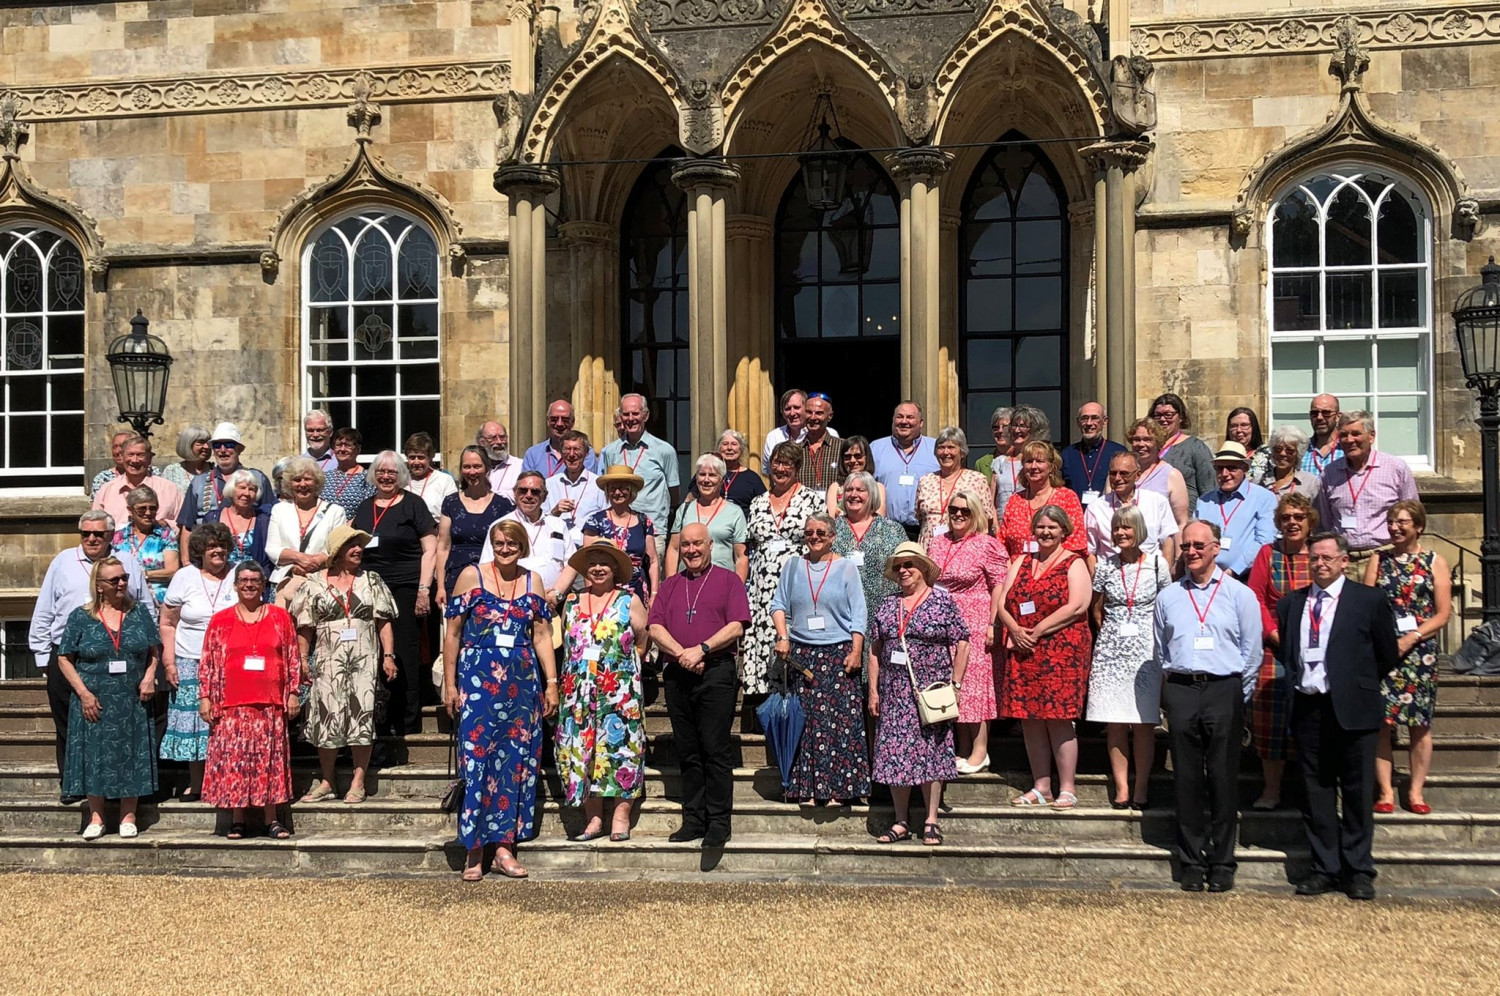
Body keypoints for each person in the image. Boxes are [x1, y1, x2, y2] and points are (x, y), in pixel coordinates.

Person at [1280, 532, 1401, 901]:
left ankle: (1358, 869)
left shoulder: (1369, 600)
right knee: (1316, 791)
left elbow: (1386, 654)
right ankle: (1324, 868)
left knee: (1357, 790)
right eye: (1315, 558)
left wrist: (1355, 683)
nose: (1320, 564)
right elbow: (1289, 655)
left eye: (1328, 558)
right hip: (1308, 706)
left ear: (1344, 561)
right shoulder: (1292, 604)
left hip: (1353, 707)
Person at [441, 519, 558, 880]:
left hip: (521, 685)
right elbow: (453, 633)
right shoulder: (470, 576)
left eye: (512, 543)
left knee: (514, 764)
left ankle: (504, 847)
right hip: (478, 681)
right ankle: (474, 849)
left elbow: (541, 635)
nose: (505, 549)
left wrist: (551, 682)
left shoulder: (531, 581)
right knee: (477, 760)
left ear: (523, 546)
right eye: (500, 543)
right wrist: (449, 683)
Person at [1154, 520, 1262, 893]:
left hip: (1224, 689)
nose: (1192, 552)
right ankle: (1190, 861)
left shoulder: (1239, 594)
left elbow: (1252, 652)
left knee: (1222, 778)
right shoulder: (1168, 596)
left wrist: (1238, 695)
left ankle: (1222, 861)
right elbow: (1161, 649)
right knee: (1185, 778)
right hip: (1183, 688)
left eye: (1199, 545)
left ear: (1216, 548)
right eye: (1186, 546)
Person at [29, 511, 153, 803]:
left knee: (122, 728)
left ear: (110, 535)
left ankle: (122, 788)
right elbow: (45, 607)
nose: (92, 538)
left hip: (122, 657)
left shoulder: (128, 563)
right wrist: (41, 655)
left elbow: (145, 603)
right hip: (69, 656)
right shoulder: (62, 561)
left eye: (98, 533)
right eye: (86, 533)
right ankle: (73, 785)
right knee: (69, 726)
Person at [648, 523, 751, 848]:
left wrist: (702, 649)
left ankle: (718, 822)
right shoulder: (670, 585)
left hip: (716, 671)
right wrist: (682, 654)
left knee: (715, 749)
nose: (691, 550)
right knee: (688, 750)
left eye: (698, 545)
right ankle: (694, 819)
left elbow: (736, 626)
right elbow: (654, 626)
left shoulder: (728, 580)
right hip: (678, 672)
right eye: (686, 545)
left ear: (710, 546)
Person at [867, 541, 969, 846]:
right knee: (896, 753)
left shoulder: (942, 601)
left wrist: (957, 684)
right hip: (894, 692)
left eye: (909, 565)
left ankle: (931, 819)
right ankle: (900, 821)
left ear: (923, 568)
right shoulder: (888, 604)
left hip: (931, 692)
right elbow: (875, 650)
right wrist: (873, 691)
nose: (903, 571)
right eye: (898, 566)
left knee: (932, 753)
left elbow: (962, 640)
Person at [55, 556, 162, 839]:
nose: (122, 583)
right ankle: (97, 816)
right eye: (114, 580)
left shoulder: (139, 613)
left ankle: (129, 815)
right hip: (95, 699)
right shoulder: (81, 616)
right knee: (94, 756)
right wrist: (83, 693)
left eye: (124, 578)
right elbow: (64, 658)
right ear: (99, 586)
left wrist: (150, 676)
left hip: (132, 698)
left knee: (132, 752)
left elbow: (154, 651)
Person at [292, 525, 397, 806]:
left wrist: (389, 656)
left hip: (364, 659)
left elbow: (383, 620)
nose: (358, 550)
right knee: (326, 717)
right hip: (327, 660)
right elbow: (305, 626)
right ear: (337, 551)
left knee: (361, 716)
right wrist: (302, 659)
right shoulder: (314, 583)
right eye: (352, 545)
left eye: (360, 545)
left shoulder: (372, 580)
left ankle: (358, 781)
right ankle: (327, 781)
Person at [997, 505, 1093, 810]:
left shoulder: (1073, 562)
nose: (1046, 532)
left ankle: (1067, 787)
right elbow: (1002, 603)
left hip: (1060, 651)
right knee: (1030, 719)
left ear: (1064, 530)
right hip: (1024, 648)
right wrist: (1014, 629)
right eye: (1040, 527)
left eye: (1052, 527)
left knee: (1059, 718)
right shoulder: (1022, 561)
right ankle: (1041, 786)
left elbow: (1078, 606)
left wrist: (1036, 630)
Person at [199, 561, 304, 840]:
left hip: (269, 703)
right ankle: (238, 820)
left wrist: (294, 691)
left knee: (268, 762)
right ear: (234, 585)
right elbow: (208, 660)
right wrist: (205, 697)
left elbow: (293, 656)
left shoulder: (280, 617)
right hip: (231, 704)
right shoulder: (220, 620)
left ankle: (272, 819)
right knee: (236, 762)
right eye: (243, 580)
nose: (249, 585)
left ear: (263, 585)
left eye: (255, 580)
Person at [770, 512, 870, 805]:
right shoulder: (792, 566)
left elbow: (859, 614)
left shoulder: (846, 568)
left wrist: (856, 650)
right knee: (808, 724)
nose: (814, 537)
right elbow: (778, 604)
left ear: (833, 537)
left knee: (839, 724)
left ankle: (839, 789)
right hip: (803, 655)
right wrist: (783, 635)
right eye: (809, 533)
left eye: (821, 533)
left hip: (838, 653)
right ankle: (810, 788)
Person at [555, 539, 648, 841]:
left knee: (621, 750)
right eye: (592, 562)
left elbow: (643, 638)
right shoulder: (570, 601)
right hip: (577, 691)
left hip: (618, 690)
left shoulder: (628, 599)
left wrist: (626, 671)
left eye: (604, 562)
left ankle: (621, 815)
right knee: (581, 750)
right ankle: (593, 818)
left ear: (615, 569)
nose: (597, 568)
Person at [1366, 500, 1451, 816]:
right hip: (1385, 652)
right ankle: (1386, 791)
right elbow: (1366, 605)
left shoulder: (1433, 561)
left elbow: (1443, 613)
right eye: (1391, 521)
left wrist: (1412, 637)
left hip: (1420, 653)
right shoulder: (1379, 559)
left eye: (1402, 522)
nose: (1395, 527)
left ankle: (1415, 791)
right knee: (1381, 723)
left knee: (1420, 724)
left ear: (1418, 526)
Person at [1087, 506, 1172, 810]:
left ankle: (1142, 786)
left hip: (1146, 650)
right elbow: (1097, 608)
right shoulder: (1106, 566)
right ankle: (1122, 788)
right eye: (1117, 528)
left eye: (1127, 528)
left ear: (1139, 530)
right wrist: (1109, 633)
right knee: (1116, 722)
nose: (1121, 533)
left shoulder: (1159, 565)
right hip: (1111, 651)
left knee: (1144, 722)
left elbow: (1167, 607)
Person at [351, 451, 437, 736]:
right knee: (373, 651)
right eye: (381, 471)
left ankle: (407, 721)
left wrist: (424, 589)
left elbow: (431, 549)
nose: (386, 477)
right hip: (370, 589)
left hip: (405, 587)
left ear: (400, 475)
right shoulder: (364, 508)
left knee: (404, 652)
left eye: (392, 472)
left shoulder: (414, 505)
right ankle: (378, 718)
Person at [1245, 493, 1318, 810]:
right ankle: (1271, 791)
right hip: (1274, 646)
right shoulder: (1267, 553)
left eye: (1298, 517)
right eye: (1286, 517)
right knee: (1270, 716)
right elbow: (1255, 598)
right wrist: (1274, 635)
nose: (1292, 522)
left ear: (1309, 521)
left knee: (1312, 718)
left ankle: (1311, 791)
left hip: (1315, 647)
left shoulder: (1319, 554)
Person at [927, 489, 1006, 774]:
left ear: (975, 515)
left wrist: (992, 623)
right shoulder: (937, 542)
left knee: (974, 686)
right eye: (953, 510)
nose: (958, 515)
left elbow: (999, 584)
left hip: (974, 618)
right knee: (951, 683)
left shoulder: (987, 544)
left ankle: (980, 749)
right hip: (942, 620)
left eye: (965, 511)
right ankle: (960, 747)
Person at [159, 522, 238, 801]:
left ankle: (227, 777)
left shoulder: (239, 574)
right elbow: (168, 622)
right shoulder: (184, 576)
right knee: (196, 720)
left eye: (222, 546)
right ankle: (197, 781)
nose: (218, 551)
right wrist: (169, 662)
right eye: (211, 546)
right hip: (190, 659)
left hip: (232, 661)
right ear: (199, 551)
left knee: (227, 721)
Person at [741, 441, 825, 695]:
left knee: (791, 633)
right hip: (761, 586)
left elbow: (822, 539)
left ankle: (797, 691)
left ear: (797, 467)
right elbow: (748, 545)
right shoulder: (757, 502)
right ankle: (766, 698)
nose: (780, 468)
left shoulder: (811, 498)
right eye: (776, 462)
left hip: (798, 581)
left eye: (787, 463)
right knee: (763, 633)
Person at [1316, 411, 1419, 579]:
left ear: (1371, 436)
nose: (1349, 440)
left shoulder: (1396, 468)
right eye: (1343, 435)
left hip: (1386, 558)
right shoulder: (1329, 473)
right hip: (1343, 563)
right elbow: (1326, 522)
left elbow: (1414, 517)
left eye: (1356, 434)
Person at [601, 393, 680, 559]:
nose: (630, 419)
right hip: (617, 528)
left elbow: (674, 495)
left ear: (646, 415)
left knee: (653, 581)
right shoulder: (610, 451)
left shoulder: (664, 451)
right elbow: (605, 491)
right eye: (626, 414)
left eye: (635, 414)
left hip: (652, 531)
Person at [486, 471, 581, 602]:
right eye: (523, 490)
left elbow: (572, 563)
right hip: (513, 602)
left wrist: (556, 595)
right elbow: (488, 567)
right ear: (515, 493)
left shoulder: (558, 525)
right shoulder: (499, 526)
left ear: (545, 496)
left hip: (555, 603)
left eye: (535, 491)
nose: (528, 496)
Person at [437, 446, 513, 607]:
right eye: (467, 467)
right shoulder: (451, 503)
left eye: (477, 466)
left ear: (487, 468)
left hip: (492, 577)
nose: (472, 472)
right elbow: (443, 547)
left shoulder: (503, 505)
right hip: (456, 577)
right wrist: (440, 587)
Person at [265, 456, 347, 604]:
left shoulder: (335, 511)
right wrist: (301, 559)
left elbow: (337, 548)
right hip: (284, 583)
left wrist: (314, 563)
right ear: (289, 484)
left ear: (316, 482)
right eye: (297, 480)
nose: (302, 484)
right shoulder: (279, 509)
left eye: (308, 479)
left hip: (322, 583)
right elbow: (272, 549)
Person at [831, 471, 908, 630]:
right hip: (841, 614)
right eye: (849, 490)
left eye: (860, 490)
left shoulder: (892, 530)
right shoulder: (831, 529)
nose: (853, 494)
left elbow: (906, 568)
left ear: (872, 494)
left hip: (883, 613)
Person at [1195, 441, 1278, 578]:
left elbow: (1264, 540)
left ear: (1245, 468)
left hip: (1246, 576)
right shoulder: (1204, 501)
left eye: (1231, 468)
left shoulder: (1263, 498)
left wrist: (1233, 571)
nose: (1225, 473)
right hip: (1206, 576)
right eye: (1219, 468)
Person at [580, 465, 658, 606]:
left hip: (638, 590)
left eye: (622, 487)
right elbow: (587, 562)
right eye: (612, 488)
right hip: (604, 589)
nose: (617, 492)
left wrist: (654, 594)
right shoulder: (595, 521)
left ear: (631, 491)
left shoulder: (643, 521)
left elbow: (653, 561)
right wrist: (591, 594)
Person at [1084, 452, 1179, 565]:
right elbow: (1089, 551)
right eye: (1113, 473)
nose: (1117, 478)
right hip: (1111, 575)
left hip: (1150, 573)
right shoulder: (1096, 508)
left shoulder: (1157, 502)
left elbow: (1168, 542)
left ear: (1137, 475)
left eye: (1124, 473)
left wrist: (1164, 575)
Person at [665, 453, 749, 580]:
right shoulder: (684, 510)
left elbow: (740, 556)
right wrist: (670, 584)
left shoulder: (734, 513)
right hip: (687, 582)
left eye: (712, 475)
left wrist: (737, 590)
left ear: (721, 479)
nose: (706, 480)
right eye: (702, 474)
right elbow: (674, 548)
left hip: (721, 584)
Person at [999, 440, 1087, 560]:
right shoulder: (1015, 500)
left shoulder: (1067, 498)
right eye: (1029, 461)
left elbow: (1076, 543)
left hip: (1056, 570)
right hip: (1017, 572)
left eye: (1039, 461)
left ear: (1051, 467)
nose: (1033, 466)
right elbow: (1002, 543)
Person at [180, 422, 274, 527]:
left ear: (239, 449)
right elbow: (186, 526)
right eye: (217, 445)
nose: (222, 450)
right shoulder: (199, 482)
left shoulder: (258, 478)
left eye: (229, 445)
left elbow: (272, 517)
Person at [870, 400, 939, 539]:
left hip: (926, 531)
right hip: (886, 531)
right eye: (899, 417)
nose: (904, 421)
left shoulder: (936, 449)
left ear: (921, 423)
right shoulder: (875, 449)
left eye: (910, 417)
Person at [915, 427, 995, 545]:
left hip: (964, 549)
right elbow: (920, 518)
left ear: (962, 452)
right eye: (941, 447)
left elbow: (987, 520)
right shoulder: (925, 481)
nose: (946, 452)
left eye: (951, 447)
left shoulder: (977, 480)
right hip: (928, 549)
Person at [92, 434, 184, 526]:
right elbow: (95, 525)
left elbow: (183, 525)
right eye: (130, 454)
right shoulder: (107, 490)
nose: (135, 460)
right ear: (122, 457)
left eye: (140, 455)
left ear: (149, 459)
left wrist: (163, 524)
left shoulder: (169, 489)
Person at [112, 485, 179, 604]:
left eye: (152, 508)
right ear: (130, 510)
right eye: (142, 508)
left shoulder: (166, 535)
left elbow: (172, 571)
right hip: (126, 599)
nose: (148, 513)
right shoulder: (118, 537)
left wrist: (142, 574)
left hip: (159, 599)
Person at [199, 470, 274, 575]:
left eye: (252, 489)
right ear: (231, 489)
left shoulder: (263, 520)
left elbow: (268, 558)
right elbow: (204, 552)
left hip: (252, 581)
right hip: (220, 578)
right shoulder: (212, 518)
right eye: (242, 488)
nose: (247, 493)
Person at [1148, 393, 1216, 507]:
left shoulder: (1195, 447)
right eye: (1157, 415)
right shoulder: (1146, 447)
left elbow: (1209, 490)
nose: (1163, 419)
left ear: (1181, 417)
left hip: (1184, 519)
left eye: (1168, 415)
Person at [1127, 417, 1191, 528]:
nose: (1141, 444)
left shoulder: (1172, 475)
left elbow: (1181, 522)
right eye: (1136, 439)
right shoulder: (1119, 473)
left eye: (1147, 439)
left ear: (1158, 442)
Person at [543, 429, 606, 534]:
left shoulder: (598, 485)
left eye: (577, 449)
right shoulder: (549, 484)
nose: (571, 454)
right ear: (561, 453)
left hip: (587, 546)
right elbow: (540, 523)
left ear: (586, 453)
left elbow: (606, 520)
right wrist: (555, 511)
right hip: (558, 544)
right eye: (567, 449)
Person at [761, 388, 839, 470]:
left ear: (806, 409)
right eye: (787, 409)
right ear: (782, 413)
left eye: (796, 407)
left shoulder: (828, 433)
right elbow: (769, 472)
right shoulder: (773, 436)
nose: (792, 413)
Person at [1061, 402, 1125, 500]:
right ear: (1078, 422)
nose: (1089, 423)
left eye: (1095, 418)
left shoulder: (1119, 452)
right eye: (1084, 418)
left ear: (1104, 421)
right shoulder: (1066, 455)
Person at [523, 398, 602, 476]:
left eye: (565, 419)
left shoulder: (586, 453)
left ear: (573, 422)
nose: (559, 424)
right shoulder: (533, 454)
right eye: (554, 419)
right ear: (548, 421)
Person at [993, 405, 1049, 514]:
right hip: (1002, 524)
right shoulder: (1000, 462)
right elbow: (991, 502)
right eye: (1014, 425)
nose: (1017, 430)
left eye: (1023, 426)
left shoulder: (1041, 461)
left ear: (1034, 430)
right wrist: (995, 526)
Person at [825, 435, 886, 517]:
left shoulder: (878, 487)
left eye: (858, 456)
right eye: (847, 457)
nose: (852, 460)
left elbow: (880, 518)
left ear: (866, 457)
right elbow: (831, 520)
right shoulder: (835, 487)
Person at [793, 392, 842, 493]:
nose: (813, 417)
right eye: (809, 412)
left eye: (819, 413)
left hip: (834, 508)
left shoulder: (842, 448)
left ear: (830, 416)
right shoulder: (794, 450)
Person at [321, 427, 374, 519]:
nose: (342, 449)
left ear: (358, 449)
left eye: (348, 445)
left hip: (353, 529)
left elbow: (369, 509)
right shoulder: (325, 477)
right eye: (338, 445)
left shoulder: (368, 478)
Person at [404, 432, 458, 521]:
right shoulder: (401, 481)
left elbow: (453, 512)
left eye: (421, 457)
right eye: (412, 457)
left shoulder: (444, 480)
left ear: (430, 457)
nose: (416, 462)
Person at [1260, 424, 1322, 501]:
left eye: (1289, 450)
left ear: (1298, 453)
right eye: (1278, 449)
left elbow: (1319, 512)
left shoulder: (1311, 483)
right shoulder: (1259, 481)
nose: (1282, 454)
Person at [718, 429, 766, 514]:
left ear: (741, 449)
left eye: (734, 444)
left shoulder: (752, 478)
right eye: (725, 444)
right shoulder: (709, 473)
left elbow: (764, 505)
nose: (729, 448)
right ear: (719, 448)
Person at [90, 429, 146, 497]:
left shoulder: (153, 474)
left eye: (122, 446)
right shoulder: (103, 479)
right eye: (114, 447)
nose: (117, 451)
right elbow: (97, 506)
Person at [1226, 407, 1273, 484]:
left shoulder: (1267, 455)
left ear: (1253, 428)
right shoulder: (1221, 457)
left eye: (1244, 425)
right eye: (1234, 426)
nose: (1238, 430)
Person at [160, 424, 211, 494]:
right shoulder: (172, 471)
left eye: (208, 442)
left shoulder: (214, 469)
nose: (206, 447)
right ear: (188, 444)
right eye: (200, 443)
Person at [478, 421, 524, 495]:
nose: (499, 442)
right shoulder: (474, 469)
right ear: (481, 442)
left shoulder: (520, 466)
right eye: (493, 438)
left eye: (502, 437)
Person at [1303, 393, 1344, 476]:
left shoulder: (1347, 448)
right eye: (1314, 413)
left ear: (1338, 416)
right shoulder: (1301, 450)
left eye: (1326, 412)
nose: (1319, 417)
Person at [974, 406, 1012, 481]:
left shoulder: (1024, 459)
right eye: (996, 427)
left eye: (1005, 427)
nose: (1000, 431)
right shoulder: (982, 463)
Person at [302, 408, 338, 474]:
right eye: (310, 430)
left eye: (320, 430)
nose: (315, 435)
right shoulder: (297, 463)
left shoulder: (340, 462)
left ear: (330, 432)